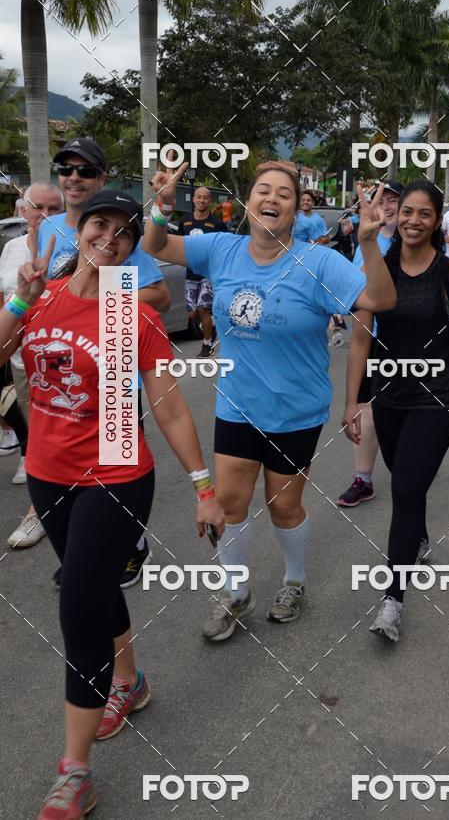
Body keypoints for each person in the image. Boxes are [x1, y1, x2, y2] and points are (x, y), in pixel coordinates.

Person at [0, 189, 224, 819]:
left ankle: (74, 774)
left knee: (77, 604)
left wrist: (204, 487)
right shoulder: (38, 298)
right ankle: (131, 681)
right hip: (47, 471)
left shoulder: (131, 317)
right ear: (80, 230)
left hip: (116, 472)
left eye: (124, 232)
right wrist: (19, 299)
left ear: (131, 249)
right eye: (100, 223)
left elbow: (169, 406)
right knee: (95, 589)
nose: (110, 237)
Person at [143, 160, 397, 639]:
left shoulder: (318, 262)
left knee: (283, 507)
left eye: (284, 193)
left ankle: (294, 581)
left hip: (295, 410)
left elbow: (381, 301)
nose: (272, 199)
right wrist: (160, 208)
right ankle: (236, 593)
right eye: (263, 190)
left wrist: (366, 240)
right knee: (231, 501)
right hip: (237, 404)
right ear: (248, 201)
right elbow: (154, 245)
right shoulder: (221, 248)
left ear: (294, 207)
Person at [40, 137, 171, 589]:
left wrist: (104, 300)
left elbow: (158, 294)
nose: (73, 177)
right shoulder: (48, 227)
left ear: (100, 179)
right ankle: (85, 556)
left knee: (112, 465)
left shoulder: (117, 228)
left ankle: (128, 548)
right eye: (66, 168)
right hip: (58, 360)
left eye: (85, 170)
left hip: (112, 365)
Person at [344, 180, 449, 642]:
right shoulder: (376, 268)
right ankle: (419, 535)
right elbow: (360, 338)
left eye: (424, 214)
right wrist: (353, 401)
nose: (413, 220)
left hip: (439, 398)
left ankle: (392, 599)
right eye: (406, 212)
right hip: (389, 398)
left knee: (408, 488)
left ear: (437, 222)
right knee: (405, 482)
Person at [0, 183, 64, 547]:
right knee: (37, 432)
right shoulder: (10, 248)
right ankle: (44, 505)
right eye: (38, 206)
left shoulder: (73, 245)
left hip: (62, 361)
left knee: (60, 433)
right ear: (22, 211)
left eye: (54, 208)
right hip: (21, 359)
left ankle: (39, 510)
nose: (46, 214)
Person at [337, 180, 403, 507]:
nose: (388, 206)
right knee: (365, 409)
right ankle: (363, 479)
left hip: (409, 344)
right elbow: (355, 290)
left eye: (394, 200)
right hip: (372, 338)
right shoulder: (366, 242)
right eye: (383, 200)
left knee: (403, 415)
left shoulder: (416, 241)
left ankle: (408, 477)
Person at [177, 186, 228, 358]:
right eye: (198, 197)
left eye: (205, 198)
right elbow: (178, 245)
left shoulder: (217, 223)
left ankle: (206, 346)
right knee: (192, 313)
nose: (201, 200)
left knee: (203, 308)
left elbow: (224, 248)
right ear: (193, 199)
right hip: (190, 273)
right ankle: (211, 327)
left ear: (210, 200)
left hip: (208, 274)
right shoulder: (184, 221)